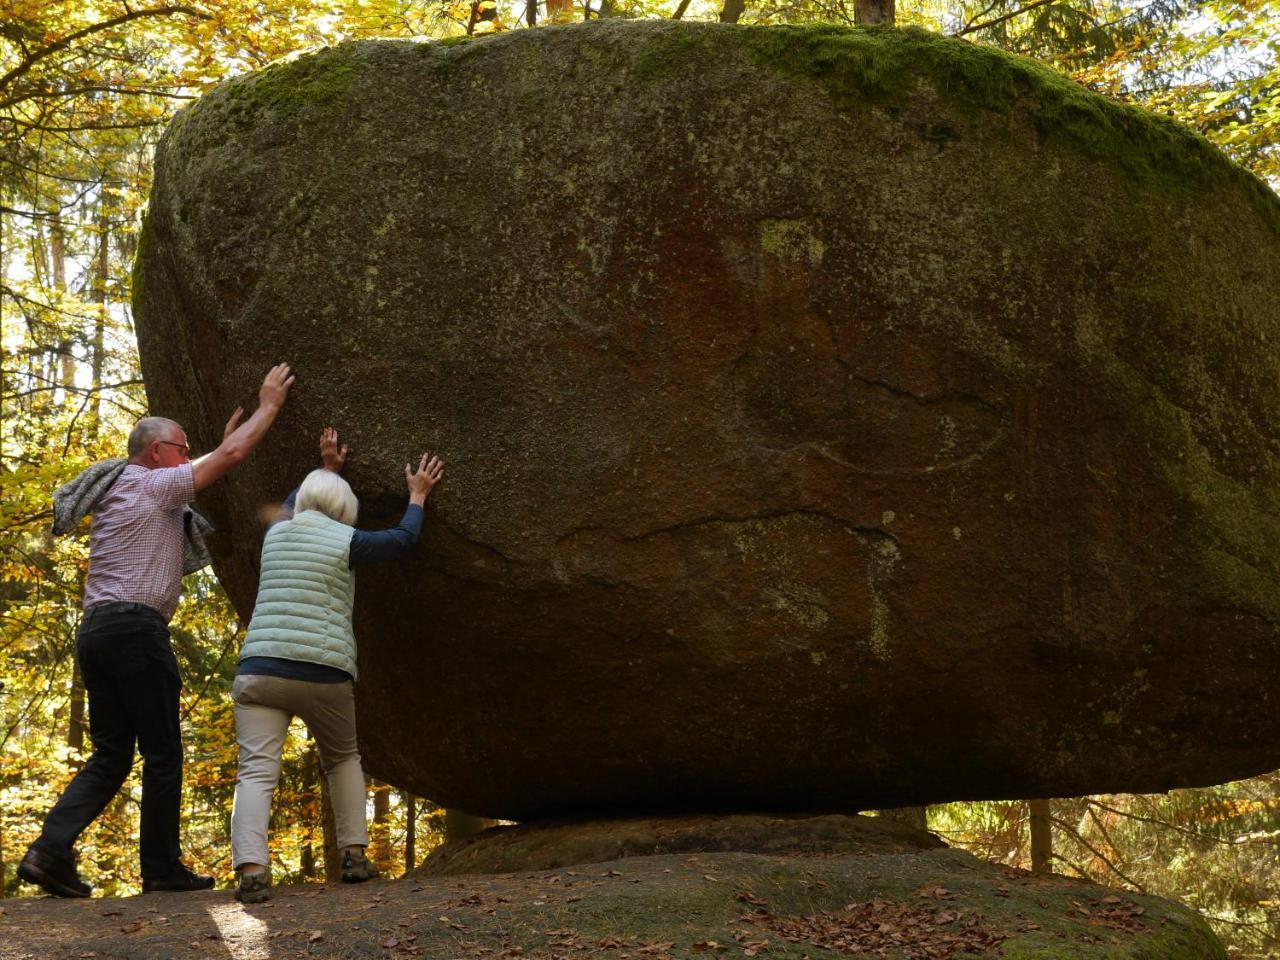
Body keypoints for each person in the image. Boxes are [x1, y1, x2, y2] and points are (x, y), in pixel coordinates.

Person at [19, 363, 296, 898]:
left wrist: (216, 444)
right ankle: (163, 870)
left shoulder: (129, 486)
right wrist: (270, 407)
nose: (188, 456)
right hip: (135, 633)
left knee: (112, 754)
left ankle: (49, 851)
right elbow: (231, 458)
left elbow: (217, 457)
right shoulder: (150, 484)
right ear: (154, 452)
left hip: (97, 633)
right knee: (164, 752)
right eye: (182, 447)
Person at [230, 427, 443, 904]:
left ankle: (251, 871)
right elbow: (404, 539)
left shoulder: (276, 533)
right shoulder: (348, 540)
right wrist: (417, 495)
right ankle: (354, 857)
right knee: (343, 759)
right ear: (345, 511)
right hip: (323, 671)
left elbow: (296, 501)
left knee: (256, 772)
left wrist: (326, 468)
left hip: (260, 669)